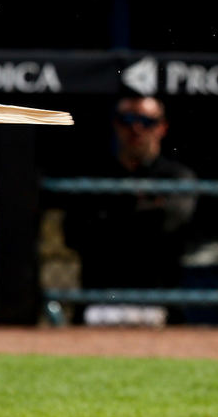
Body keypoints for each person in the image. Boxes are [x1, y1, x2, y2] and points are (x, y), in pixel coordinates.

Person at [62, 94, 197, 324]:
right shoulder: (96, 174)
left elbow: (168, 227)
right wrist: (144, 211)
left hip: (157, 303)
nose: (135, 129)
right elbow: (74, 234)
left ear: (162, 127)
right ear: (116, 124)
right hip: (100, 301)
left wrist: (110, 218)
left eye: (146, 121)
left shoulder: (176, 176)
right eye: (127, 120)